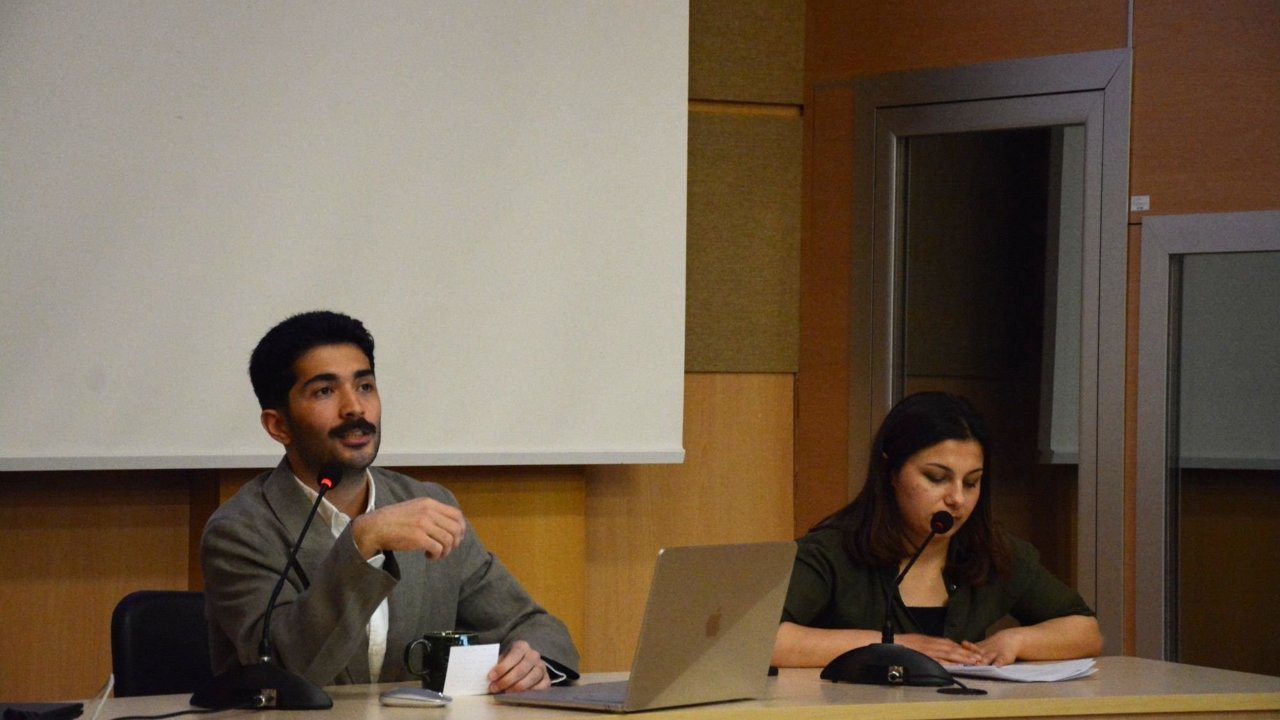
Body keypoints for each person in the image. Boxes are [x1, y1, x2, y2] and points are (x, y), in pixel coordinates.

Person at [201, 310, 579, 692]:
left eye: (365, 386)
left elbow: (534, 627)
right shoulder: (240, 531)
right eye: (325, 391)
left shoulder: (428, 504)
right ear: (278, 425)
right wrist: (361, 543)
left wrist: (532, 663)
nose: (355, 408)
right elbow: (282, 671)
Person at [773, 391, 1101, 668]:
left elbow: (1085, 630)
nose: (957, 498)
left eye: (971, 482)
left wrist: (1016, 640)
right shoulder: (831, 552)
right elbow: (765, 640)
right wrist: (892, 647)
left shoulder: (990, 551)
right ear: (889, 471)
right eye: (936, 478)